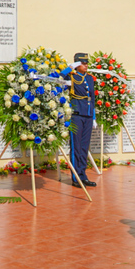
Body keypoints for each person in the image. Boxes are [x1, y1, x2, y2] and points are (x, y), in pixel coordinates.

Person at [60, 53, 97, 188]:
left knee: (84, 147)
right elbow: (58, 77)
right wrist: (70, 68)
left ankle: (83, 175)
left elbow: (92, 98)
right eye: (83, 63)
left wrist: (93, 117)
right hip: (76, 115)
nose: (86, 65)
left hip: (87, 115)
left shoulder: (90, 78)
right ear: (77, 64)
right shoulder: (72, 77)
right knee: (76, 147)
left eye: (87, 63)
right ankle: (76, 177)